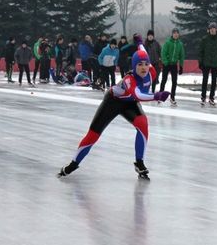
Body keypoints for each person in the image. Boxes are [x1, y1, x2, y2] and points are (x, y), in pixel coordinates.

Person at [58, 34, 170, 180]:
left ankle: (139, 162)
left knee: (142, 123)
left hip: (129, 102)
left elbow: (144, 53)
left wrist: (140, 43)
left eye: (145, 64)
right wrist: (157, 96)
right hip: (113, 101)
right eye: (139, 65)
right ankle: (73, 163)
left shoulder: (151, 72)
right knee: (93, 135)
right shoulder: (130, 80)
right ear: (133, 66)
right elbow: (138, 95)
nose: (143, 68)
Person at [198, 22, 217, 107]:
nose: (213, 30)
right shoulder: (204, 39)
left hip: (215, 63)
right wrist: (200, 62)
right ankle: (203, 97)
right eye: (211, 29)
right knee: (205, 80)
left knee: (214, 81)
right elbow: (200, 52)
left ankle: (211, 97)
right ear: (209, 30)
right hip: (206, 63)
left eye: (214, 29)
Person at [160, 28, 185, 106]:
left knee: (174, 81)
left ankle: (172, 97)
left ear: (178, 35)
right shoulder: (168, 43)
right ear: (172, 34)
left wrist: (181, 66)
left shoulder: (180, 44)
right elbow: (163, 53)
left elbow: (182, 55)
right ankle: (160, 95)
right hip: (167, 64)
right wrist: (165, 62)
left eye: (177, 33)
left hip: (174, 64)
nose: (176, 34)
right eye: (174, 33)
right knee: (164, 79)